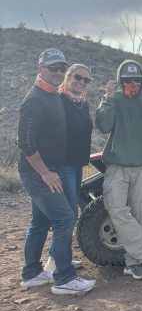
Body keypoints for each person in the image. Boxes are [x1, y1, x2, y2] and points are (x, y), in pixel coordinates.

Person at [17, 48, 96, 295]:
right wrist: (46, 173)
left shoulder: (51, 96)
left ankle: (32, 274)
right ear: (40, 69)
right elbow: (26, 143)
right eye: (53, 68)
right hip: (39, 173)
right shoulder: (35, 100)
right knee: (65, 218)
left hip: (50, 170)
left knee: (40, 222)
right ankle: (64, 278)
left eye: (62, 68)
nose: (58, 73)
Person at [96, 60, 142, 280]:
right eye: (127, 81)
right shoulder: (114, 100)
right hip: (117, 167)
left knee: (141, 214)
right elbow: (103, 126)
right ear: (120, 81)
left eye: (136, 81)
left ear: (141, 82)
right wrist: (108, 98)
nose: (132, 85)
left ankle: (133, 262)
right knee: (116, 208)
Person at [44, 64, 94, 273]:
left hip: (76, 164)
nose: (81, 82)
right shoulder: (59, 100)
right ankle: (54, 262)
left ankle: (56, 257)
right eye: (77, 77)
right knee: (68, 214)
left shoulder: (83, 104)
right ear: (67, 76)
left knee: (68, 214)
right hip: (63, 164)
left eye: (86, 80)